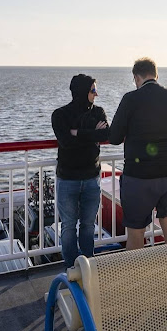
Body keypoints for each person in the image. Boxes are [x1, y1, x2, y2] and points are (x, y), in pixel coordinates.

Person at [108, 58, 167, 250]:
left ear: (136, 78)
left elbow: (114, 137)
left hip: (140, 176)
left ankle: (138, 270)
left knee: (136, 231)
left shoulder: (130, 99)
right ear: (156, 75)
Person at [51, 74, 109, 268]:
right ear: (83, 91)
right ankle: (71, 269)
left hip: (92, 178)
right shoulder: (60, 115)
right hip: (68, 179)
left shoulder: (98, 112)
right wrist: (92, 133)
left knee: (88, 225)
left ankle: (87, 268)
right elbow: (66, 142)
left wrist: (78, 132)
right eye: (93, 90)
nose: (96, 94)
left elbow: (106, 134)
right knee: (68, 227)